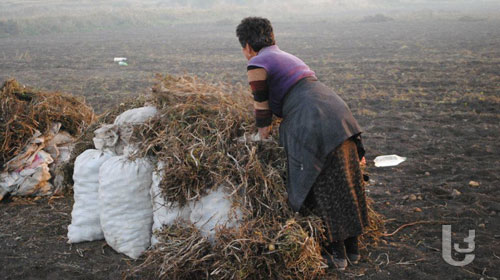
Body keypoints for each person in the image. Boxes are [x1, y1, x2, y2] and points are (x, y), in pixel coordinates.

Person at [236, 17, 369, 271]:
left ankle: (336, 255)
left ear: (248, 46)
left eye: (243, 48)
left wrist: (256, 142)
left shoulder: (256, 63)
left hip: (309, 117)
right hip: (336, 111)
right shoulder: (286, 56)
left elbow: (262, 114)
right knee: (346, 179)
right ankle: (353, 250)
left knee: (316, 182)